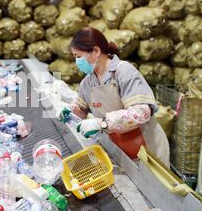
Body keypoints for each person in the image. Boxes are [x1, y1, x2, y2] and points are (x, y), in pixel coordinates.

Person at [67, 27, 170, 166]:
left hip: (148, 150)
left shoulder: (123, 71)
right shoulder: (88, 82)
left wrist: (102, 123)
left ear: (96, 51)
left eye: (78, 57)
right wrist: (70, 111)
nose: (77, 62)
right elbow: (81, 109)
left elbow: (141, 112)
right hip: (119, 149)